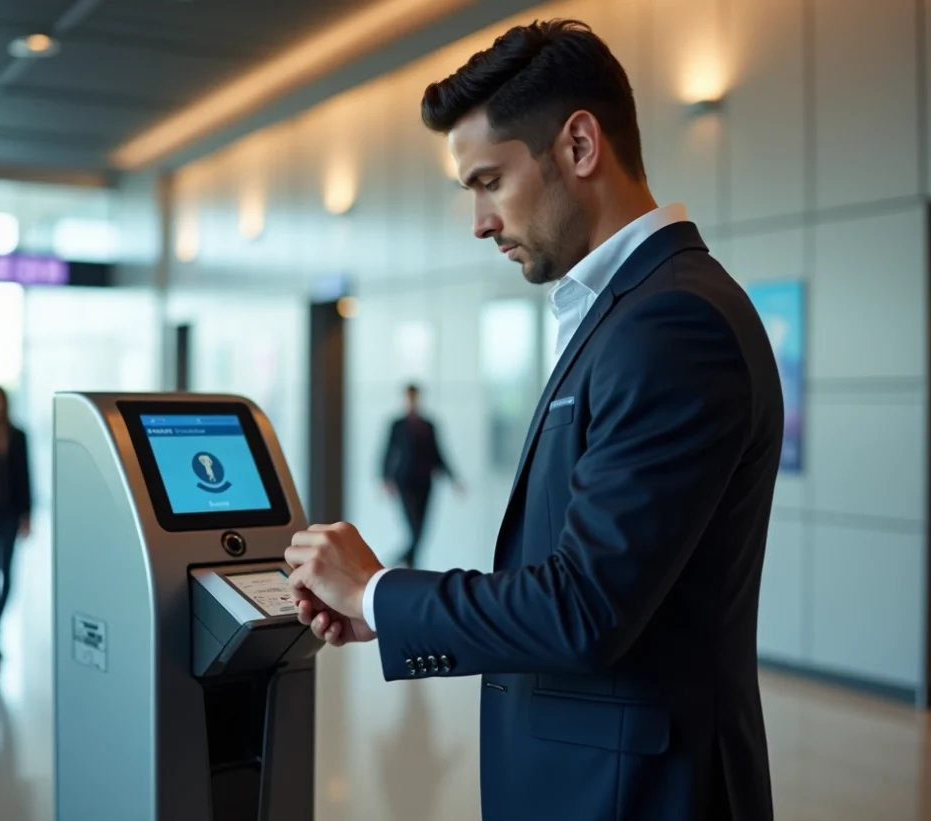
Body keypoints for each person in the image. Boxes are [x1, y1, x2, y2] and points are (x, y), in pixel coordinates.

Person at [284, 19, 783, 821]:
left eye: (489, 181)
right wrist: (381, 608)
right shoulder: (623, 314)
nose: (479, 221)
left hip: (632, 796)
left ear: (579, 146)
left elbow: (584, 605)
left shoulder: (671, 323)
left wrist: (380, 593)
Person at [380, 384, 463, 568]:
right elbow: (387, 452)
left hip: (425, 482)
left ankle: (410, 566)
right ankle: (394, 563)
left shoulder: (429, 425)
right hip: (404, 481)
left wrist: (453, 479)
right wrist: (385, 479)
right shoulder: (397, 425)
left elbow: (439, 453)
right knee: (414, 529)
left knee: (422, 530)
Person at [0, 386, 32, 661]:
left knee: (7, 573)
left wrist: (27, 514)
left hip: (10, 513)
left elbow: (25, 476)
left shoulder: (18, 435)